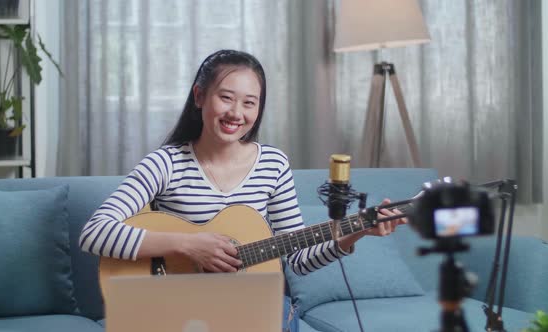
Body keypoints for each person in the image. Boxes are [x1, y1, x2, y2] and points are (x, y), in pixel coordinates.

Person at [79, 49, 407, 330]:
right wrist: (188, 246)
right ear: (198, 96)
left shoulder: (273, 165)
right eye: (226, 98)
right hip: (176, 305)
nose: (237, 113)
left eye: (250, 103)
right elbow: (95, 233)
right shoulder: (166, 163)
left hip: (241, 308)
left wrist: (356, 232)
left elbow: (298, 260)